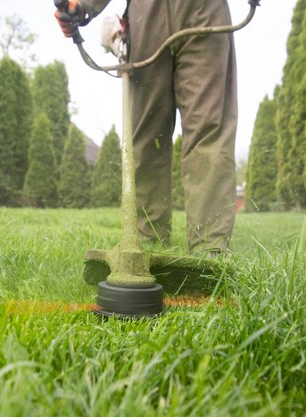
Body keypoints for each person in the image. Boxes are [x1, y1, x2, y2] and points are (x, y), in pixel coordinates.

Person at [55, 0, 237, 256]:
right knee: (146, 135)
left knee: (209, 127)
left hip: (205, 11)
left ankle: (211, 248)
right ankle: (146, 243)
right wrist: (83, 5)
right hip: (146, 15)